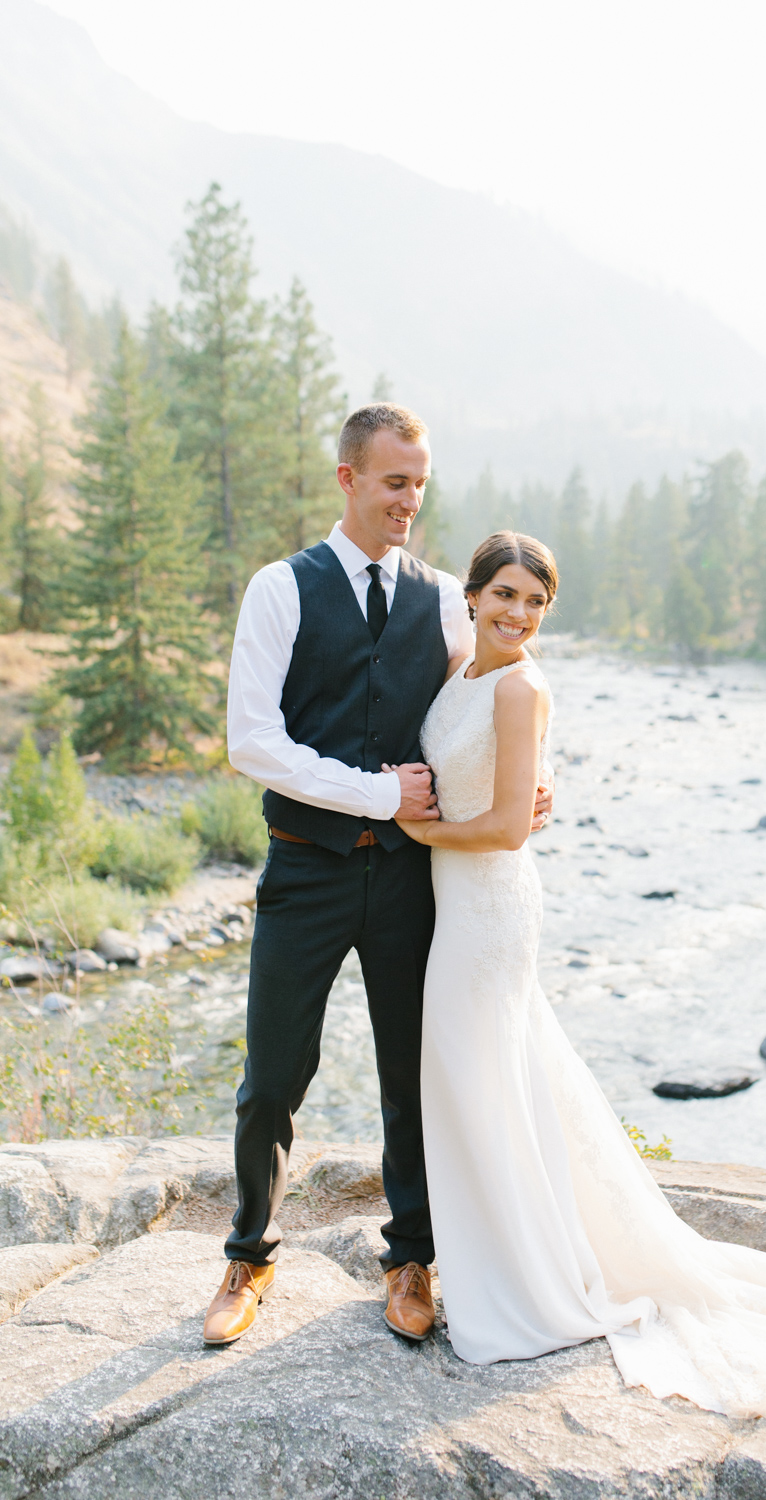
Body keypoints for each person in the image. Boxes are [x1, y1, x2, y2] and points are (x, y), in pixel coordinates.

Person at [396, 528, 766, 1422]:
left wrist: (419, 831)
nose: (519, 614)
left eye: (536, 602)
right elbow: (502, 779)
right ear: (473, 596)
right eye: (506, 595)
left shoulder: (523, 686)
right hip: (460, 905)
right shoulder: (461, 671)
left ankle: (526, 1284)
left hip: (490, 908)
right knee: (487, 1082)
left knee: (486, 1078)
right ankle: (502, 1260)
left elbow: (512, 826)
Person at [201, 406, 552, 1347]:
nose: (411, 501)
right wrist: (374, 793)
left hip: (411, 880)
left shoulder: (443, 597)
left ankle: (412, 1262)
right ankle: (249, 1255)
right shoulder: (279, 589)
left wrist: (520, 783)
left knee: (412, 1074)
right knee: (272, 1076)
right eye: (396, 482)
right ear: (349, 478)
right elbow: (252, 742)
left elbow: (488, 686)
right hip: (305, 871)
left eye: (422, 484)